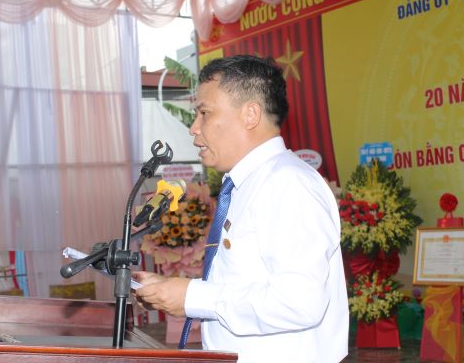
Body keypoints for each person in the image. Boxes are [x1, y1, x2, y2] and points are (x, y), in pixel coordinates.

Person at [133, 55, 348, 362]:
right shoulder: (245, 185)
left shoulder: (288, 185)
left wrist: (194, 296)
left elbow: (299, 303)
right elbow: (242, 284)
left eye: (204, 113)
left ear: (250, 114)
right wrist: (172, 293)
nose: (194, 128)